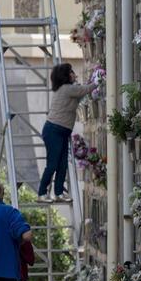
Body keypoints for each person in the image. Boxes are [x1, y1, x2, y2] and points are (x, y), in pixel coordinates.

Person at [39, 63, 96, 202]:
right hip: (54, 130)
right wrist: (98, 79)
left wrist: (82, 82)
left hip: (62, 131)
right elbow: (85, 89)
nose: (73, 74)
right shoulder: (66, 89)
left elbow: (81, 92)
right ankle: (42, 193)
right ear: (65, 75)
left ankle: (58, 192)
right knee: (52, 164)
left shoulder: (69, 89)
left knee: (62, 163)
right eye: (71, 72)